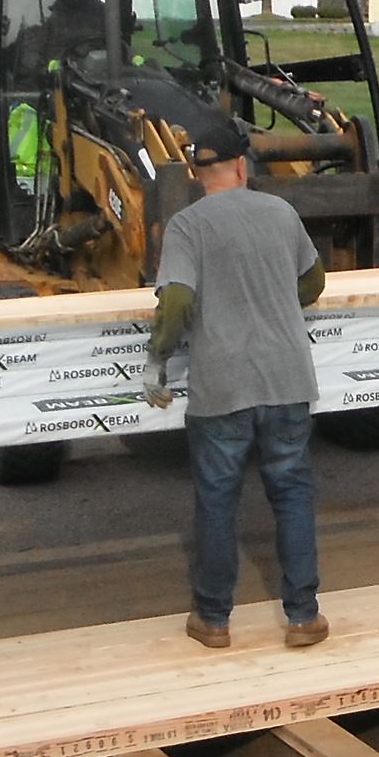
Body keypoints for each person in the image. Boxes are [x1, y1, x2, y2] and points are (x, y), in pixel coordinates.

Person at [149, 117, 332, 650]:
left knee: (217, 499)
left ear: (197, 170)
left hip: (222, 384)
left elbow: (177, 301)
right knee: (292, 493)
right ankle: (303, 617)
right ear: (240, 165)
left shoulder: (187, 226)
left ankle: (213, 619)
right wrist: (272, 303)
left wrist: (156, 355)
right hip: (287, 377)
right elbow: (314, 281)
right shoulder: (280, 212)